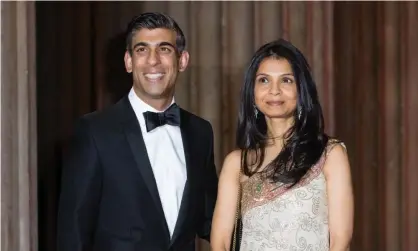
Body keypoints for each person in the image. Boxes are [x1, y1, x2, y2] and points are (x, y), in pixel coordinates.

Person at [56, 12, 218, 251]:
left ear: (182, 60)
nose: (153, 61)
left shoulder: (200, 132)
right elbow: (73, 235)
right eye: (142, 50)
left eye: (164, 49)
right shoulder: (94, 131)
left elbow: (210, 220)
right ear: (128, 61)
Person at [210, 39, 354, 251]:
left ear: (301, 90)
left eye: (286, 80)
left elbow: (340, 239)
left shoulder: (329, 154)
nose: (274, 91)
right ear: (252, 92)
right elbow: (220, 240)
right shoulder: (237, 163)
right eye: (264, 81)